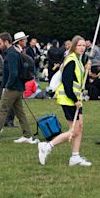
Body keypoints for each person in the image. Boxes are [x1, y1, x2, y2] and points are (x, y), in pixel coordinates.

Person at [37, 35, 92, 166]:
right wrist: (74, 100)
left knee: (79, 128)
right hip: (69, 99)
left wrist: (86, 70)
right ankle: (47, 146)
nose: (82, 48)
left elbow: (80, 81)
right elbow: (67, 83)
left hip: (76, 98)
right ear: (74, 46)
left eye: (84, 45)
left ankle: (75, 156)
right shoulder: (71, 60)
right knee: (74, 130)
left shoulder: (78, 60)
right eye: (79, 45)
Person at [0, 32, 37, 145]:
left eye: (0, 43)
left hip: (13, 88)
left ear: (6, 42)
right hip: (17, 87)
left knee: (2, 110)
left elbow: (13, 73)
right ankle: (27, 136)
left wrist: (7, 86)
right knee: (20, 113)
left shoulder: (11, 54)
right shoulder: (13, 52)